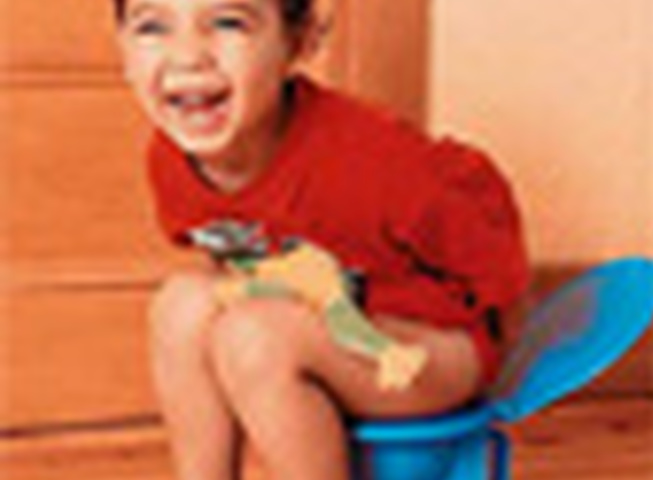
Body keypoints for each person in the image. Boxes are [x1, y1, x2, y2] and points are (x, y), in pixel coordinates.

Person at [114, 0, 530, 479]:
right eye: (152, 27)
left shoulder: (374, 160)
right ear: (123, 52)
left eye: (228, 23)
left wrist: (503, 338)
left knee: (255, 339)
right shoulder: (172, 162)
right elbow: (229, 260)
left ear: (299, 41)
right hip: (322, 325)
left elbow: (483, 234)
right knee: (180, 304)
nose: (188, 56)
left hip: (424, 345)